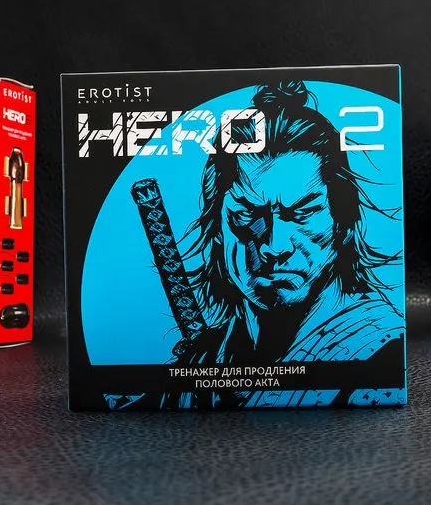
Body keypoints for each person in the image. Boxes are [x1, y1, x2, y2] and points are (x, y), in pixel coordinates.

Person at [169, 80, 404, 408]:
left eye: (303, 212)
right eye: (247, 213)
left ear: (341, 222)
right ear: (217, 226)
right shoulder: (207, 359)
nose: (275, 245)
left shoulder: (380, 354)